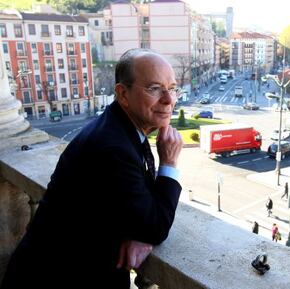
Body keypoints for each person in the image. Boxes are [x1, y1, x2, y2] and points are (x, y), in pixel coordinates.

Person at [1, 49, 184, 289]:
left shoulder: (118, 129)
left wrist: (135, 231)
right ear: (123, 94)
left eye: (172, 88)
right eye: (154, 88)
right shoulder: (113, 147)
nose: (169, 100)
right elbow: (155, 226)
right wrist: (169, 163)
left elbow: (131, 198)